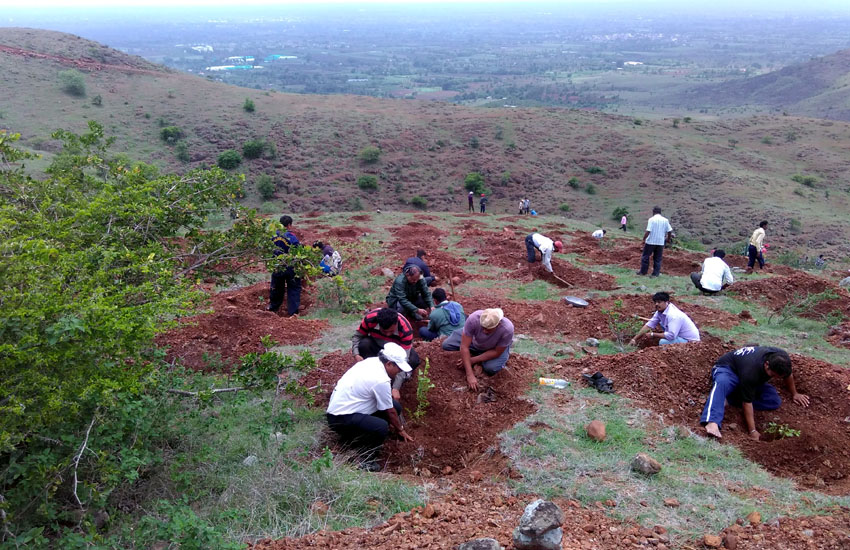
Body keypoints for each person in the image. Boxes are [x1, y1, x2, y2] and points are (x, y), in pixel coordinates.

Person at [326, 342, 414, 471]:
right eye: (398, 368)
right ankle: (366, 460)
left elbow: (390, 407)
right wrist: (400, 429)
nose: (399, 371)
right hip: (339, 418)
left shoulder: (372, 361)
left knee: (395, 406)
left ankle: (363, 435)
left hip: (347, 409)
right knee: (381, 427)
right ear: (389, 364)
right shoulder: (380, 380)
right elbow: (390, 412)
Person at [700, 346, 809, 440]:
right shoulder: (751, 371)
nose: (774, 378)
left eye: (778, 377)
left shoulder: (783, 360)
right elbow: (747, 402)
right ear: (767, 365)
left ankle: (728, 400)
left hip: (750, 379)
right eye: (773, 375)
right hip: (729, 369)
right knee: (722, 383)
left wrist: (795, 393)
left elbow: (788, 375)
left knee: (773, 400)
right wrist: (752, 431)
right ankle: (712, 421)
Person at [352, 307, 421, 398]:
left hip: (396, 351)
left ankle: (398, 376)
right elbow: (357, 336)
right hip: (376, 346)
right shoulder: (370, 319)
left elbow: (403, 359)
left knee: (413, 360)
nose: (387, 334)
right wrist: (356, 354)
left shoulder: (405, 329)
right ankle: (373, 372)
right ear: (379, 324)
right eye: (384, 331)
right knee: (364, 344)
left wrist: (395, 388)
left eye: (391, 331)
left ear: (396, 324)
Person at [442, 308, 513, 391]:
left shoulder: (507, 329)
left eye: (488, 329)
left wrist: (472, 360)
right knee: (446, 345)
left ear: (498, 324)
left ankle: (483, 354)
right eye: (483, 327)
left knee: (491, 368)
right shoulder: (474, 319)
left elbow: (497, 352)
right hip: (475, 341)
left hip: (494, 348)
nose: (484, 331)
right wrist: (470, 375)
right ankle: (474, 346)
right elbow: (464, 346)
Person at [629, 292, 700, 346]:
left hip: (691, 342)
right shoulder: (659, 312)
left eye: (659, 302)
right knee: (662, 327)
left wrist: (653, 334)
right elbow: (649, 325)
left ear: (667, 302)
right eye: (655, 302)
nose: (656, 304)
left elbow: (671, 335)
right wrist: (634, 339)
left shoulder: (673, 315)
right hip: (679, 336)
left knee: (662, 342)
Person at [268, 215, 302, 315]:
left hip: (277, 266)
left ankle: (273, 309)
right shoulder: (292, 237)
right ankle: (293, 313)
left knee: (276, 288)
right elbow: (298, 252)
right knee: (294, 289)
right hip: (291, 267)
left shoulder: (273, 236)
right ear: (289, 225)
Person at [636, 206, 673, 277]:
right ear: (660, 212)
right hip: (660, 242)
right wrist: (668, 239)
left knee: (645, 257)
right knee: (657, 259)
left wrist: (644, 239)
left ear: (653, 212)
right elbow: (670, 230)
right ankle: (655, 274)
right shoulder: (665, 220)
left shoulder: (651, 219)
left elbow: (648, 231)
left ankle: (643, 272)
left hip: (650, 242)